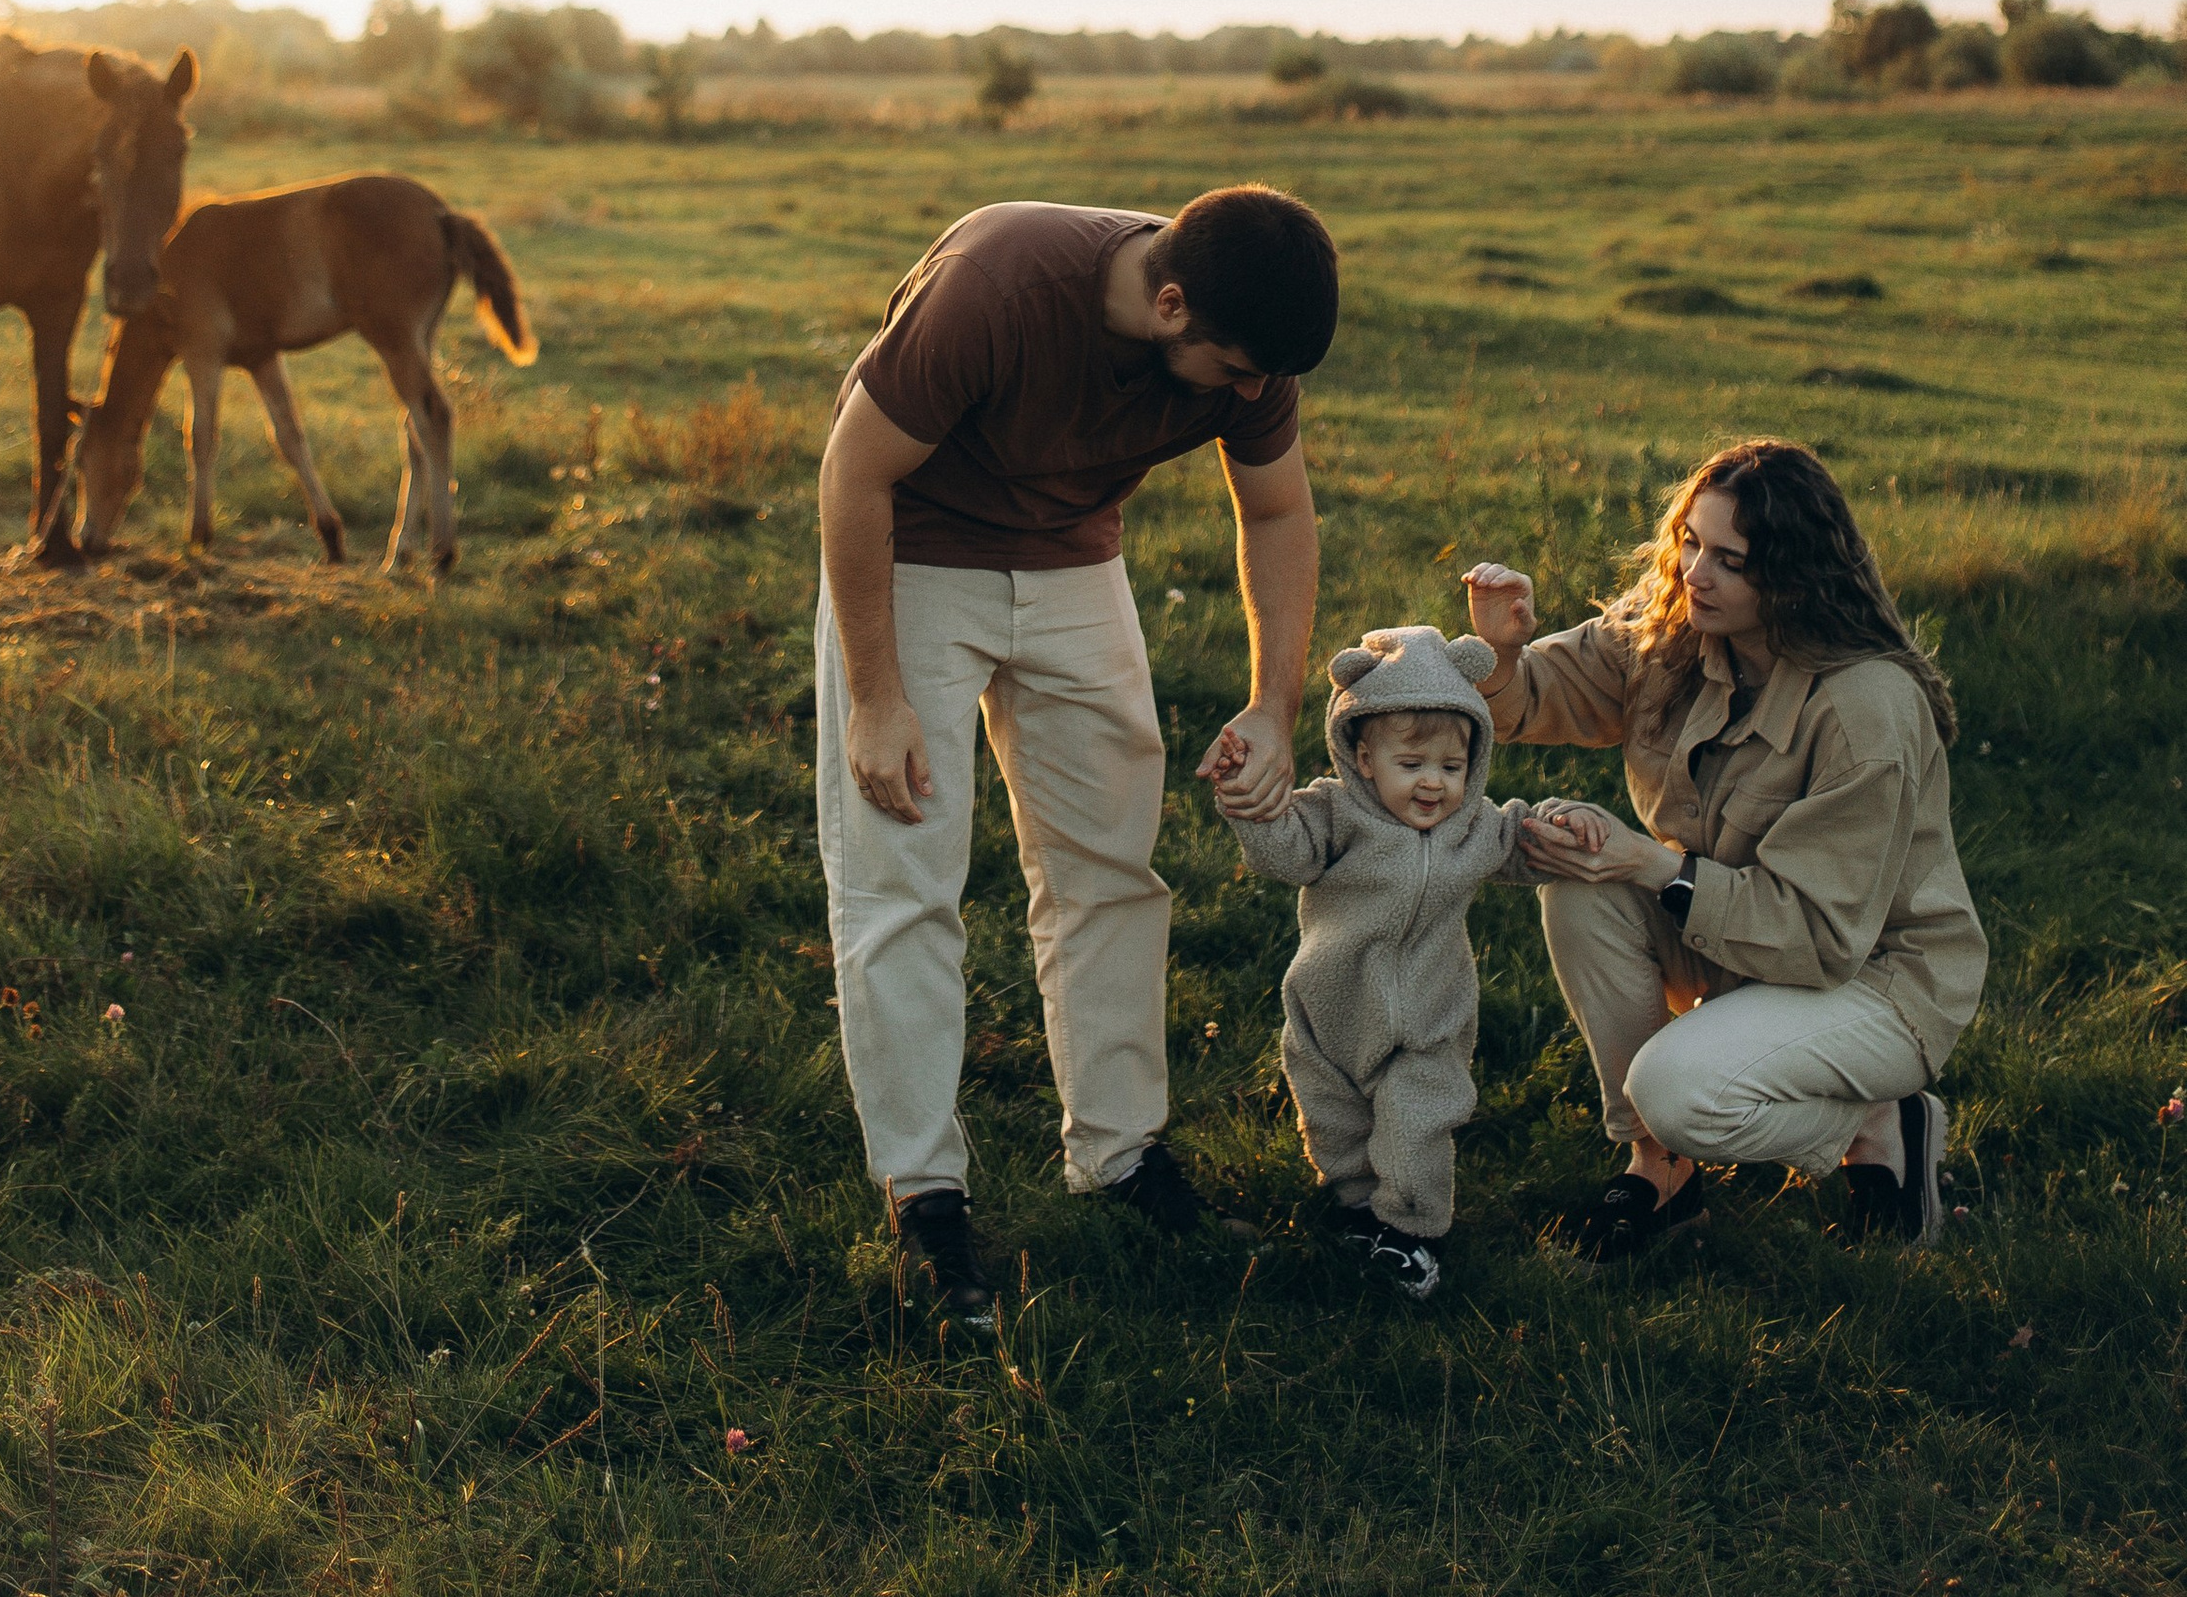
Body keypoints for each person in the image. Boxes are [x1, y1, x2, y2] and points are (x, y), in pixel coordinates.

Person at [816, 186, 1338, 1327]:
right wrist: (876, 696)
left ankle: (1118, 1154)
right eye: (1237, 370)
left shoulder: (1250, 337)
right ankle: (924, 1197)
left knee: (1110, 866)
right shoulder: (997, 284)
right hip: (917, 556)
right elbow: (854, 473)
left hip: (1071, 571)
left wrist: (1272, 705)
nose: (1251, 397)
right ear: (1167, 305)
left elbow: (1278, 515)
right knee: (902, 883)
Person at [1462, 437, 1986, 1259]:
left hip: (1873, 976)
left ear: (1792, 577)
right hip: (1736, 936)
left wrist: (1651, 863)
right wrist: (1498, 651)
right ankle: (1660, 1170)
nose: (1697, 572)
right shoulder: (1675, 630)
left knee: (1675, 1088)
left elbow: (1820, 937)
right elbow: (1536, 696)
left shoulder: (1864, 710)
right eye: (1692, 543)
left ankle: (1880, 1118)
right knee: (1578, 886)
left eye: (1730, 560)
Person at [1202, 623, 1603, 1300]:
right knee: (1335, 1122)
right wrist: (1248, 801)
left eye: (1452, 768)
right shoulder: (1333, 814)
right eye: (1411, 766)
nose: (1434, 786)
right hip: (1330, 1007)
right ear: (1362, 758)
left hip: (1429, 1016)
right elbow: (1283, 854)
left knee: (1417, 1120)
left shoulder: (1476, 828)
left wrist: (1568, 818)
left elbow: (1528, 842)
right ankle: (1359, 1208)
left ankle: (1413, 1232)